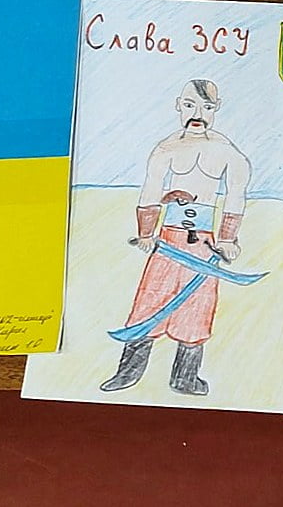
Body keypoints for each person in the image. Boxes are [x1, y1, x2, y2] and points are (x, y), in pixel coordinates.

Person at [101, 78, 252, 398]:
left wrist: (227, 239)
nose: (198, 114)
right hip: (168, 242)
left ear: (216, 108)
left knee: (198, 308)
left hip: (204, 247)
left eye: (206, 107)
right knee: (149, 303)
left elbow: (236, 194)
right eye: (189, 105)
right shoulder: (165, 149)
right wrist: (146, 233)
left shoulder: (228, 153)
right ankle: (127, 373)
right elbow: (151, 190)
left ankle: (185, 378)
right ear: (178, 106)